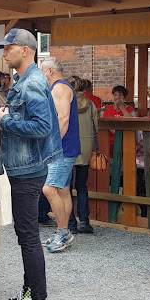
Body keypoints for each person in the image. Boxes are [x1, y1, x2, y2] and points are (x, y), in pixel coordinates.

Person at [0, 28, 62, 300]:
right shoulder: (26, 79)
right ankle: (28, 291)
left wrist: (5, 119)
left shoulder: (32, 82)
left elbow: (41, 127)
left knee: (29, 237)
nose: (4, 52)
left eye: (8, 47)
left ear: (25, 50)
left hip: (27, 169)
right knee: (25, 235)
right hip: (24, 167)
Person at [39, 58, 81, 252]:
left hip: (61, 149)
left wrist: (52, 147)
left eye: (41, 71)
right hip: (66, 148)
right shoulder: (62, 88)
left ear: (49, 71)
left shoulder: (60, 88)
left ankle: (63, 232)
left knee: (49, 189)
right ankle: (62, 231)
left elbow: (62, 119)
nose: (40, 75)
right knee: (62, 190)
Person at [68, 78, 97, 234]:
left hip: (69, 146)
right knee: (81, 185)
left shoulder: (67, 102)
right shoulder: (90, 104)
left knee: (66, 187)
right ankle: (85, 221)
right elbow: (96, 127)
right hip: (85, 147)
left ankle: (71, 223)